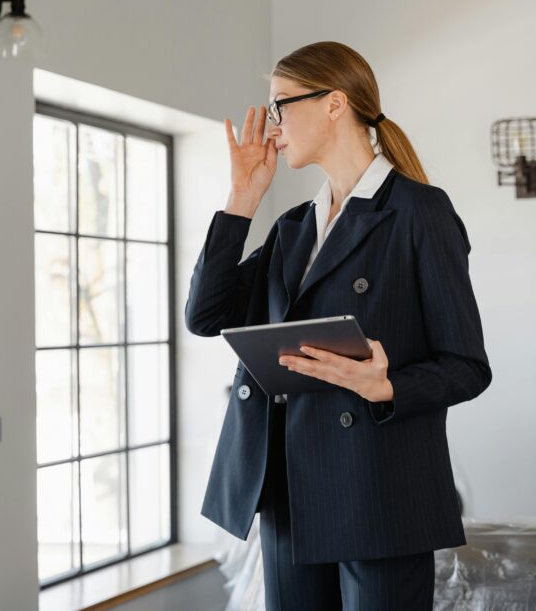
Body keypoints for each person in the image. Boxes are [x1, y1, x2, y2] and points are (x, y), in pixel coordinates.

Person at [185, 41, 492, 610]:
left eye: (280, 105)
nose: (271, 127)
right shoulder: (293, 227)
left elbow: (468, 367)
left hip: (378, 491)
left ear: (334, 103)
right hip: (287, 487)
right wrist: (241, 200)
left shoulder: (419, 212)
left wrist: (386, 385)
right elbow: (205, 317)